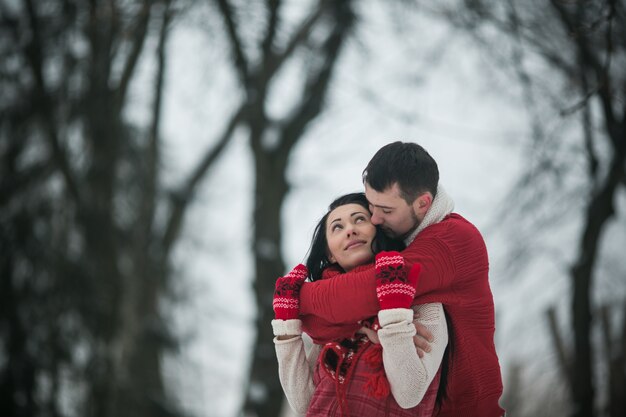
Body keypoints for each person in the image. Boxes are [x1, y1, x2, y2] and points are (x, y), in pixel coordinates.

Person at [298, 142, 505, 417]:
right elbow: (322, 324)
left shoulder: (452, 241)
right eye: (371, 206)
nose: (374, 218)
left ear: (422, 204)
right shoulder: (401, 241)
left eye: (385, 209)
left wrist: (294, 300)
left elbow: (357, 296)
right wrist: (363, 327)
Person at [272, 192, 452, 416]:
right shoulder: (327, 323)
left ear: (379, 230)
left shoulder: (421, 300)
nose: (350, 230)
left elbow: (409, 394)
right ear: (330, 254)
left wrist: (393, 315)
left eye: (359, 219)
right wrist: (287, 328)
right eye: (337, 227)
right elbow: (305, 404)